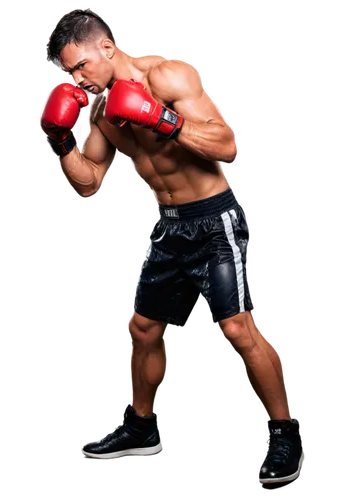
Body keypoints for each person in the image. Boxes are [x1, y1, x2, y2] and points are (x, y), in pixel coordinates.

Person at [40, 7, 306, 484]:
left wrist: (161, 119)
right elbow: (88, 184)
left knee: (238, 329)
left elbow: (227, 147)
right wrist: (62, 143)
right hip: (171, 227)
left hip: (215, 218)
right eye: (68, 73)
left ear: (106, 47)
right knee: (142, 329)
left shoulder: (167, 75)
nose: (76, 80)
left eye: (80, 67)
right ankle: (142, 428)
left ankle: (285, 433)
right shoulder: (100, 110)